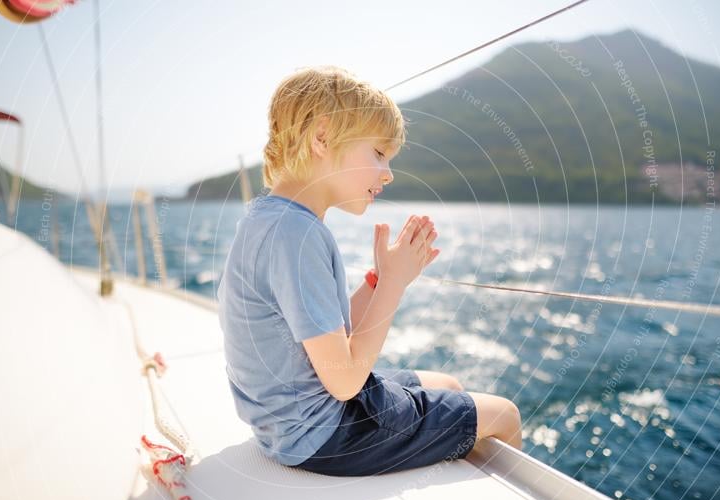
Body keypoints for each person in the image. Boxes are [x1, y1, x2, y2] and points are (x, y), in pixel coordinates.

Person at [217, 65, 521, 477]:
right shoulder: (297, 233)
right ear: (322, 138)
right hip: (327, 435)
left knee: (448, 385)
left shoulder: (267, 219)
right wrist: (395, 285)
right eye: (378, 153)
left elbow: (323, 338)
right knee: (504, 414)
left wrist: (379, 281)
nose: (389, 172)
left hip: (286, 427)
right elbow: (344, 382)